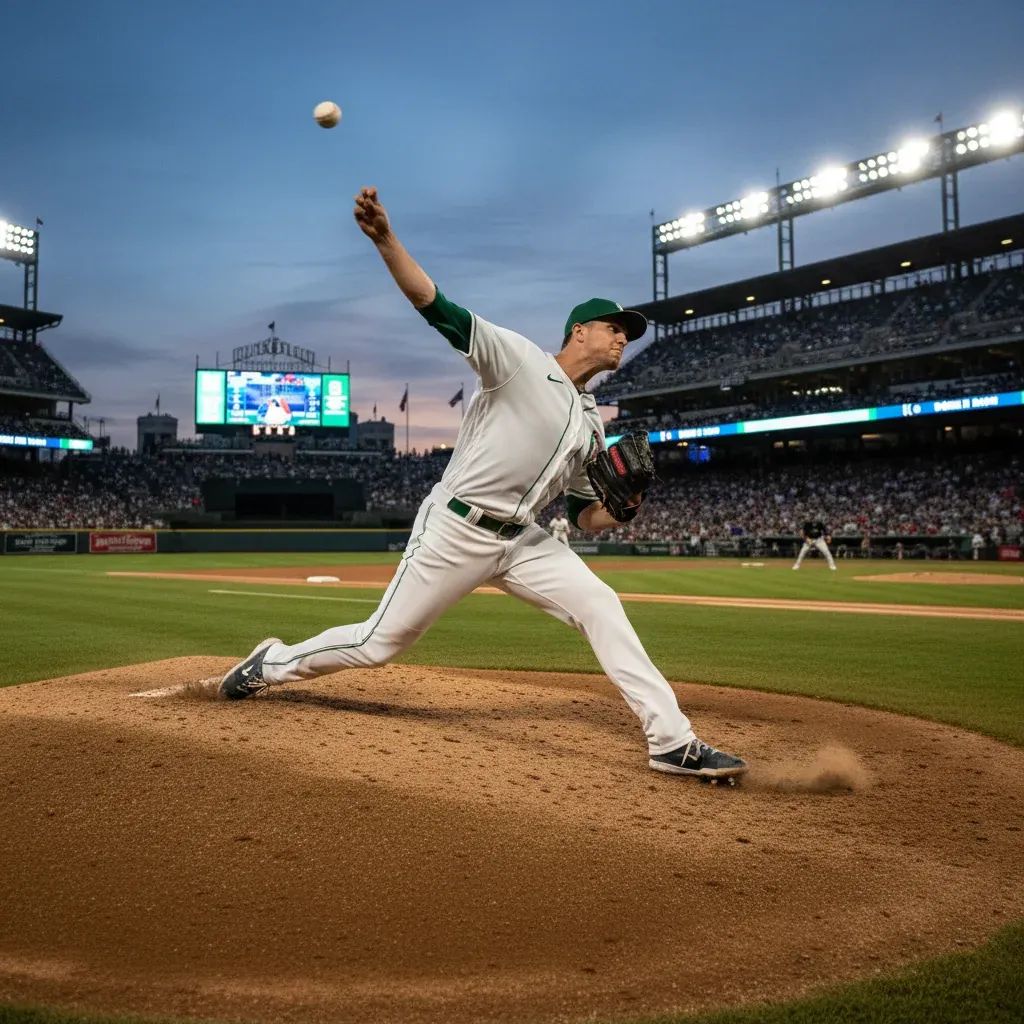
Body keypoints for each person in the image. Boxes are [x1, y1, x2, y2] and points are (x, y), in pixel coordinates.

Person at [218, 186, 746, 783]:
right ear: (578, 333)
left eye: (628, 332)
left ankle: (671, 741)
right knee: (378, 643)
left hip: (523, 540)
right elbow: (434, 304)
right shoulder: (519, 359)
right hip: (455, 529)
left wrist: (620, 510)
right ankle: (274, 663)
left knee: (600, 602)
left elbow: (581, 514)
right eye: (613, 327)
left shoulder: (592, 419)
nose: (624, 336)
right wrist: (387, 240)